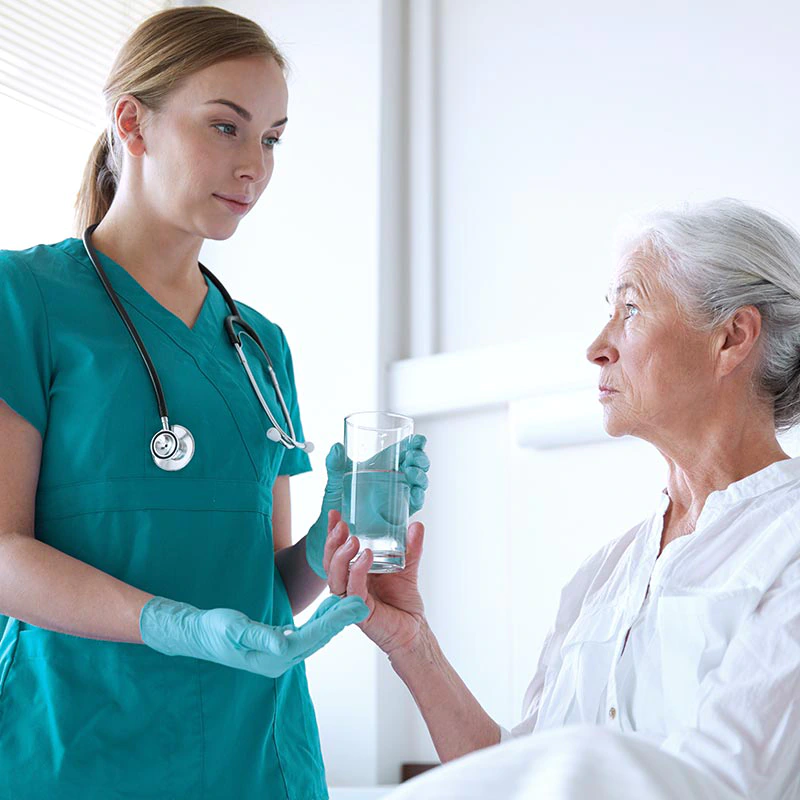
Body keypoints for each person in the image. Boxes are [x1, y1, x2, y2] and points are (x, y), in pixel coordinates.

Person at [0, 6, 428, 800]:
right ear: (132, 122)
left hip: (257, 752)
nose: (255, 167)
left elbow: (269, 585)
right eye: (226, 128)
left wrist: (331, 533)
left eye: (271, 138)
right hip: (79, 747)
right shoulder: (23, 299)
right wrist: (175, 624)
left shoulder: (259, 346)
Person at [326, 198, 800, 800]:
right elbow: (515, 770)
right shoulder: (603, 574)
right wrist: (412, 644)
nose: (597, 346)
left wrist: (578, 762)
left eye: (630, 309)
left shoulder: (789, 544)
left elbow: (721, 785)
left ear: (732, 337)